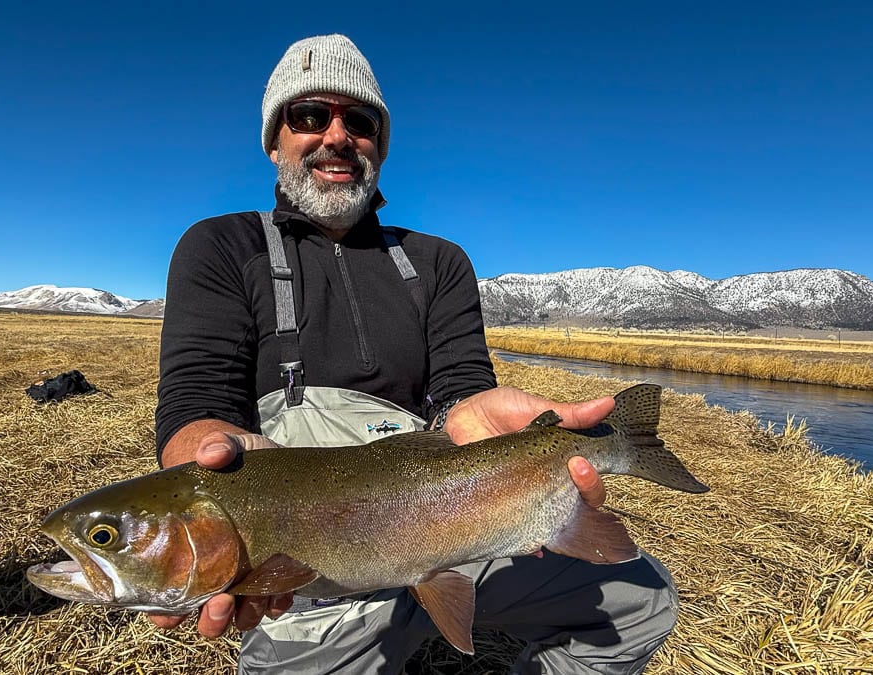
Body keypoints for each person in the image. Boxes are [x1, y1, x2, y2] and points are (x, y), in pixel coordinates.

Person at [153, 34, 678, 674]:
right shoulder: (222, 247)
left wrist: (486, 430)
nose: (338, 137)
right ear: (274, 141)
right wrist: (198, 461)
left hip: (452, 523)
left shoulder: (438, 262)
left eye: (362, 122)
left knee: (641, 602)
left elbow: (461, 392)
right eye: (310, 116)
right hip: (308, 561)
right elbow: (195, 403)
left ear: (382, 143)